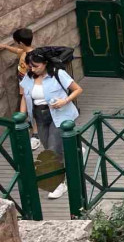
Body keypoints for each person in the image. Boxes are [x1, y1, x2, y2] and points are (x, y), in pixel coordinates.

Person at [19, 51, 82, 199]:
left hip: (59, 115)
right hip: (40, 116)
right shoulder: (29, 77)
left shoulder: (57, 74)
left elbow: (78, 89)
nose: (33, 69)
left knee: (53, 149)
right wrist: (22, 116)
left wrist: (64, 101)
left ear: (45, 63)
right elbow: (24, 97)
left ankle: (58, 183)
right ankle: (76, 150)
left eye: (36, 66)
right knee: (47, 146)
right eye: (30, 66)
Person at [1, 28, 39, 149]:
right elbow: (17, 51)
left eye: (16, 42)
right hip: (24, 85)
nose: (17, 45)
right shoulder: (24, 51)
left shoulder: (32, 56)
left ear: (21, 43)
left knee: (33, 109)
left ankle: (36, 134)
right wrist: (6, 47)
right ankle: (23, 123)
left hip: (30, 86)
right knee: (26, 107)